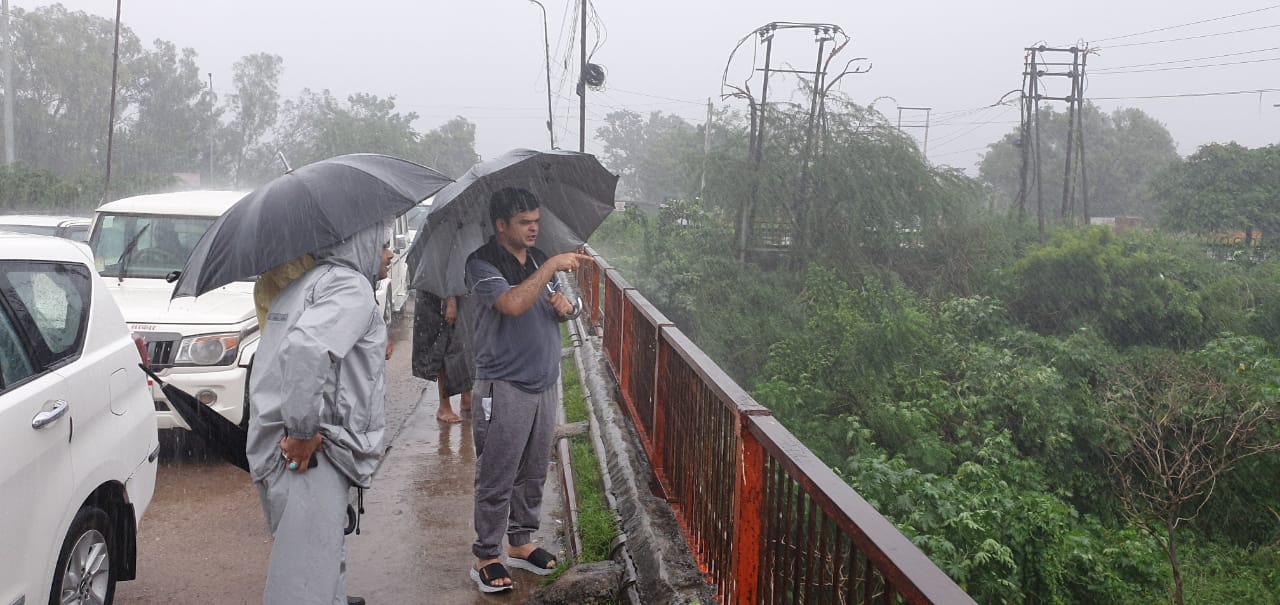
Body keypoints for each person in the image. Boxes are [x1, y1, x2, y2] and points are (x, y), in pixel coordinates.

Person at [246, 222, 395, 605]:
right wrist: (301, 432)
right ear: (360, 244)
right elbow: (307, 350)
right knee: (305, 581)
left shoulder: (308, 283)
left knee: (319, 558)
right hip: (311, 454)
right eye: (382, 245)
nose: (389, 253)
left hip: (289, 449)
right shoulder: (350, 288)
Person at [464, 187, 592, 593]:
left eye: (536, 220)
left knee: (535, 468)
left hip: (543, 379)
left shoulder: (537, 259)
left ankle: (521, 542)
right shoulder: (482, 263)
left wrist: (567, 309)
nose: (534, 228)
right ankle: (487, 553)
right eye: (524, 222)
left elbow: (568, 307)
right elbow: (511, 304)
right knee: (498, 471)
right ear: (501, 225)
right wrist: (552, 264)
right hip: (504, 382)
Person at [411, 289, 474, 423]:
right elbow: (445, 268)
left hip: (456, 291)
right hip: (439, 293)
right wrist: (450, 300)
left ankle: (467, 397)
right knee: (443, 344)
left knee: (465, 341)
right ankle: (444, 406)